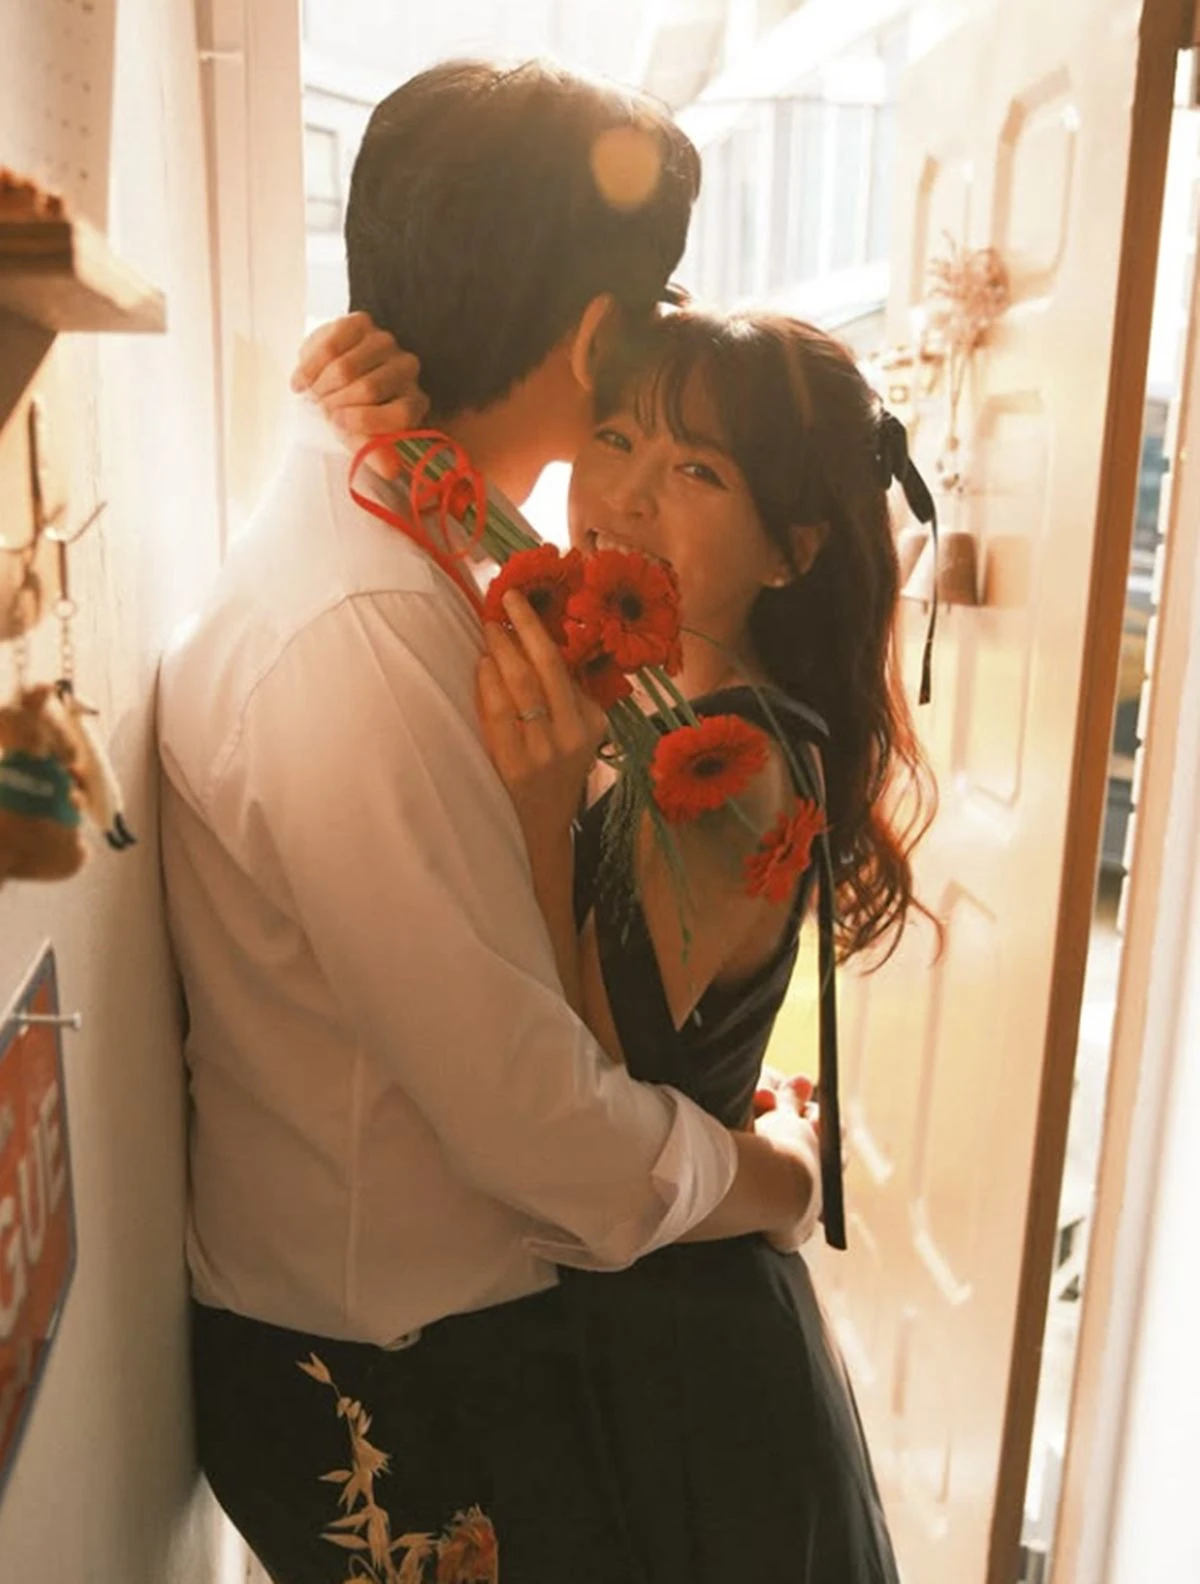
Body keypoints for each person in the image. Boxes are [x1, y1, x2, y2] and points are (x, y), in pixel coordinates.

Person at [157, 60, 823, 1584]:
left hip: (413, 1332)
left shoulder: (406, 512)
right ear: (595, 336)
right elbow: (537, 1129)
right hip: (390, 1385)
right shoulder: (366, 628)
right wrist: (769, 1178)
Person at [298, 299, 937, 1581]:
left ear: (792, 549)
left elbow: (586, 1087)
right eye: (615, 438)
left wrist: (544, 815)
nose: (627, 495)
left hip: (684, 1362)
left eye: (698, 472)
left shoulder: (736, 759)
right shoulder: (653, 700)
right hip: (664, 1316)